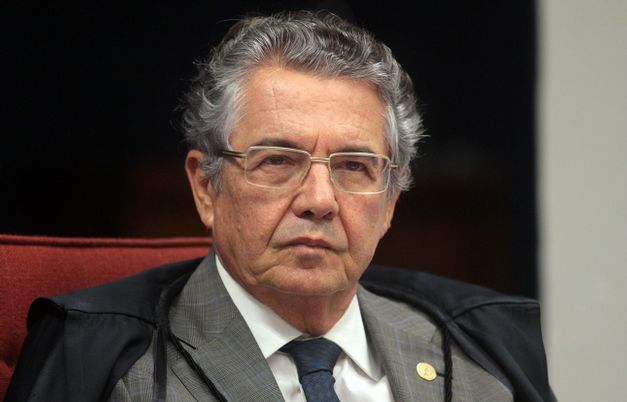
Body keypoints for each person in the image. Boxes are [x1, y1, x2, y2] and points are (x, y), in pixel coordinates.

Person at [6, 10, 554, 402]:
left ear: (390, 200)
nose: (319, 201)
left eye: (354, 166)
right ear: (205, 187)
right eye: (277, 161)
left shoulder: (484, 352)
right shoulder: (102, 362)